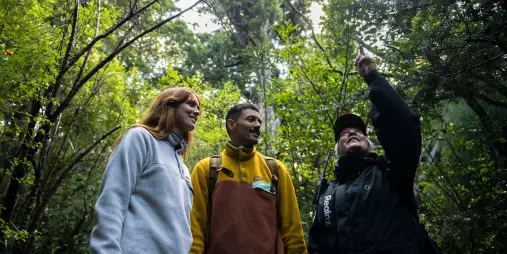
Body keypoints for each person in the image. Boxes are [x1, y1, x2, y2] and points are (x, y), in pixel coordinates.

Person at [308, 45, 426, 253]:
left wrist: (373, 78)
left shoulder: (390, 171)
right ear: (338, 149)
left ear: (368, 142)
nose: (352, 133)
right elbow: (318, 245)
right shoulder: (327, 195)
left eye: (358, 131)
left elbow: (405, 126)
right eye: (344, 133)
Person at [90, 87, 201, 254]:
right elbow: (113, 199)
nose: (197, 111)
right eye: (191, 104)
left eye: (198, 107)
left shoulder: (184, 168)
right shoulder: (141, 138)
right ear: (170, 105)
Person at [190, 103, 307, 254]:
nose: (257, 125)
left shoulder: (275, 169)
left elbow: (292, 228)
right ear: (231, 125)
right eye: (251, 120)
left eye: (259, 121)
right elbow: (195, 227)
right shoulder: (207, 169)